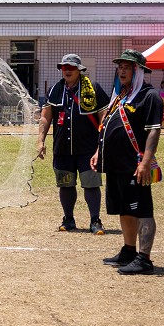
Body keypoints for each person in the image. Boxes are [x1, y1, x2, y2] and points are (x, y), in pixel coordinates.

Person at [91, 49, 162, 275]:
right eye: (120, 66)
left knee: (142, 210)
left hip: (134, 166)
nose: (122, 70)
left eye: (127, 66)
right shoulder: (121, 95)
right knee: (124, 209)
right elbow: (107, 126)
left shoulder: (149, 97)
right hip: (115, 165)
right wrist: (98, 151)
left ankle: (144, 259)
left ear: (138, 70)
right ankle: (129, 250)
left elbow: (153, 132)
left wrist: (145, 163)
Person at [36, 54, 110, 234]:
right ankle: (68, 219)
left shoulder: (93, 88)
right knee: (65, 184)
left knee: (91, 184)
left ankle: (95, 220)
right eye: (64, 67)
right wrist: (40, 140)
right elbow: (46, 117)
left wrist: (102, 144)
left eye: (71, 67)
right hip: (62, 148)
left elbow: (104, 117)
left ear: (79, 70)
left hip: (88, 148)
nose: (67, 70)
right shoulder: (55, 89)